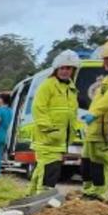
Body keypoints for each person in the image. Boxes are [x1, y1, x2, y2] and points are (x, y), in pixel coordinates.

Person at [78, 40, 108, 200]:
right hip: (94, 127)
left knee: (100, 161)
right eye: (104, 59)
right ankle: (88, 189)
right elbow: (100, 99)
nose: (104, 62)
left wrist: (94, 113)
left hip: (105, 128)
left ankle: (98, 193)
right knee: (86, 160)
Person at [27, 50, 80, 195]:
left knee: (42, 169)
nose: (64, 71)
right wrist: (50, 130)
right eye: (62, 68)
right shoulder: (48, 85)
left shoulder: (71, 89)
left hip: (60, 140)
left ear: (73, 70)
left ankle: (31, 196)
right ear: (56, 69)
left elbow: (72, 115)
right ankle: (42, 198)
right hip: (47, 139)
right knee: (50, 169)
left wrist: (72, 134)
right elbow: (38, 108)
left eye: (68, 68)